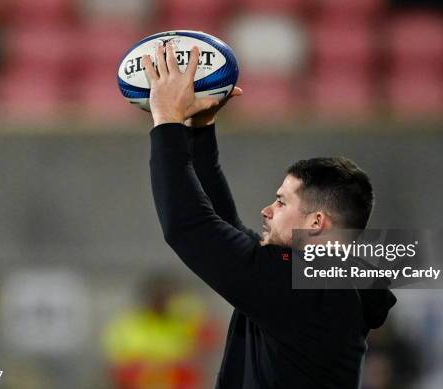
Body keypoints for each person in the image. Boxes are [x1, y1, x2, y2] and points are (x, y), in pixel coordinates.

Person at [143, 43, 397, 389]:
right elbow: (222, 225)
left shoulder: (308, 287)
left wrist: (167, 121)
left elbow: (189, 229)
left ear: (315, 223)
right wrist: (200, 129)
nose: (267, 210)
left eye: (281, 202)